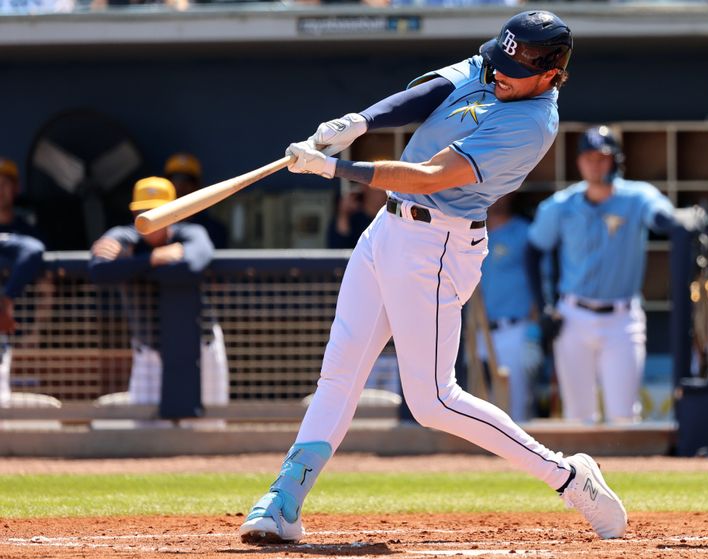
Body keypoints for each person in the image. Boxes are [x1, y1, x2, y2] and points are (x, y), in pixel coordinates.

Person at [240, 11, 627, 545]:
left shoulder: (531, 123)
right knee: (339, 373)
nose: (498, 75)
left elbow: (432, 175)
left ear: (549, 72)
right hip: (387, 229)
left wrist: (338, 169)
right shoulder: (496, 66)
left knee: (433, 400)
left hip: (438, 244)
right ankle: (283, 501)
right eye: (499, 60)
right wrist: (360, 122)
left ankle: (568, 477)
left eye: (514, 68)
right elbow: (428, 93)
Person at [527, 126, 704, 424]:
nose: (595, 165)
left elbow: (660, 218)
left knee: (624, 414)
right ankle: (582, 473)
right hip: (573, 315)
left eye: (603, 157)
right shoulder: (562, 205)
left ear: (616, 161)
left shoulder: (636, 196)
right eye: (589, 157)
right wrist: (542, 307)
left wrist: (679, 218)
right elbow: (533, 250)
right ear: (579, 161)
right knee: (578, 416)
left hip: (622, 318)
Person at [88, 177, 224, 420]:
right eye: (144, 211)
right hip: (148, 348)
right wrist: (152, 259)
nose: (151, 218)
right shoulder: (124, 236)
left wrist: (129, 265)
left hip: (200, 346)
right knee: (145, 430)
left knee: (210, 426)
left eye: (158, 212)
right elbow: (99, 270)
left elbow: (192, 265)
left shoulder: (191, 232)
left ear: (175, 212)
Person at [475, 193, 539, 422]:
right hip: (478, 333)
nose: (497, 198)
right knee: (479, 405)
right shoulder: (468, 231)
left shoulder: (525, 232)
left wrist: (534, 328)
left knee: (517, 407)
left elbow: (542, 279)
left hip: (515, 329)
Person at [0, 158, 46, 334]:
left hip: (18, 332)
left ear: (16, 188)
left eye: (4, 184)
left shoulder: (30, 233)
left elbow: (46, 290)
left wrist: (33, 335)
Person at [164, 153, 229, 249]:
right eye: (175, 178)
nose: (180, 185)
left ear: (197, 185)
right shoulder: (155, 227)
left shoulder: (213, 229)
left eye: (188, 180)